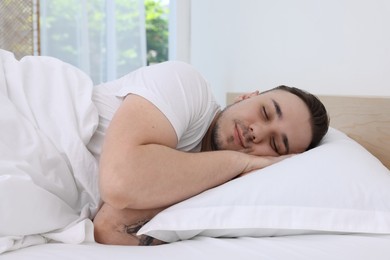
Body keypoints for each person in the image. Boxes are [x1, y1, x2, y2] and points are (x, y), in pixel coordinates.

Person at [89, 61, 329, 246]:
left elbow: (108, 227)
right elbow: (119, 182)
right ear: (247, 96)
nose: (257, 131)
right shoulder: (186, 84)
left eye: (276, 144)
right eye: (265, 112)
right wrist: (242, 161)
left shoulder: (214, 187)